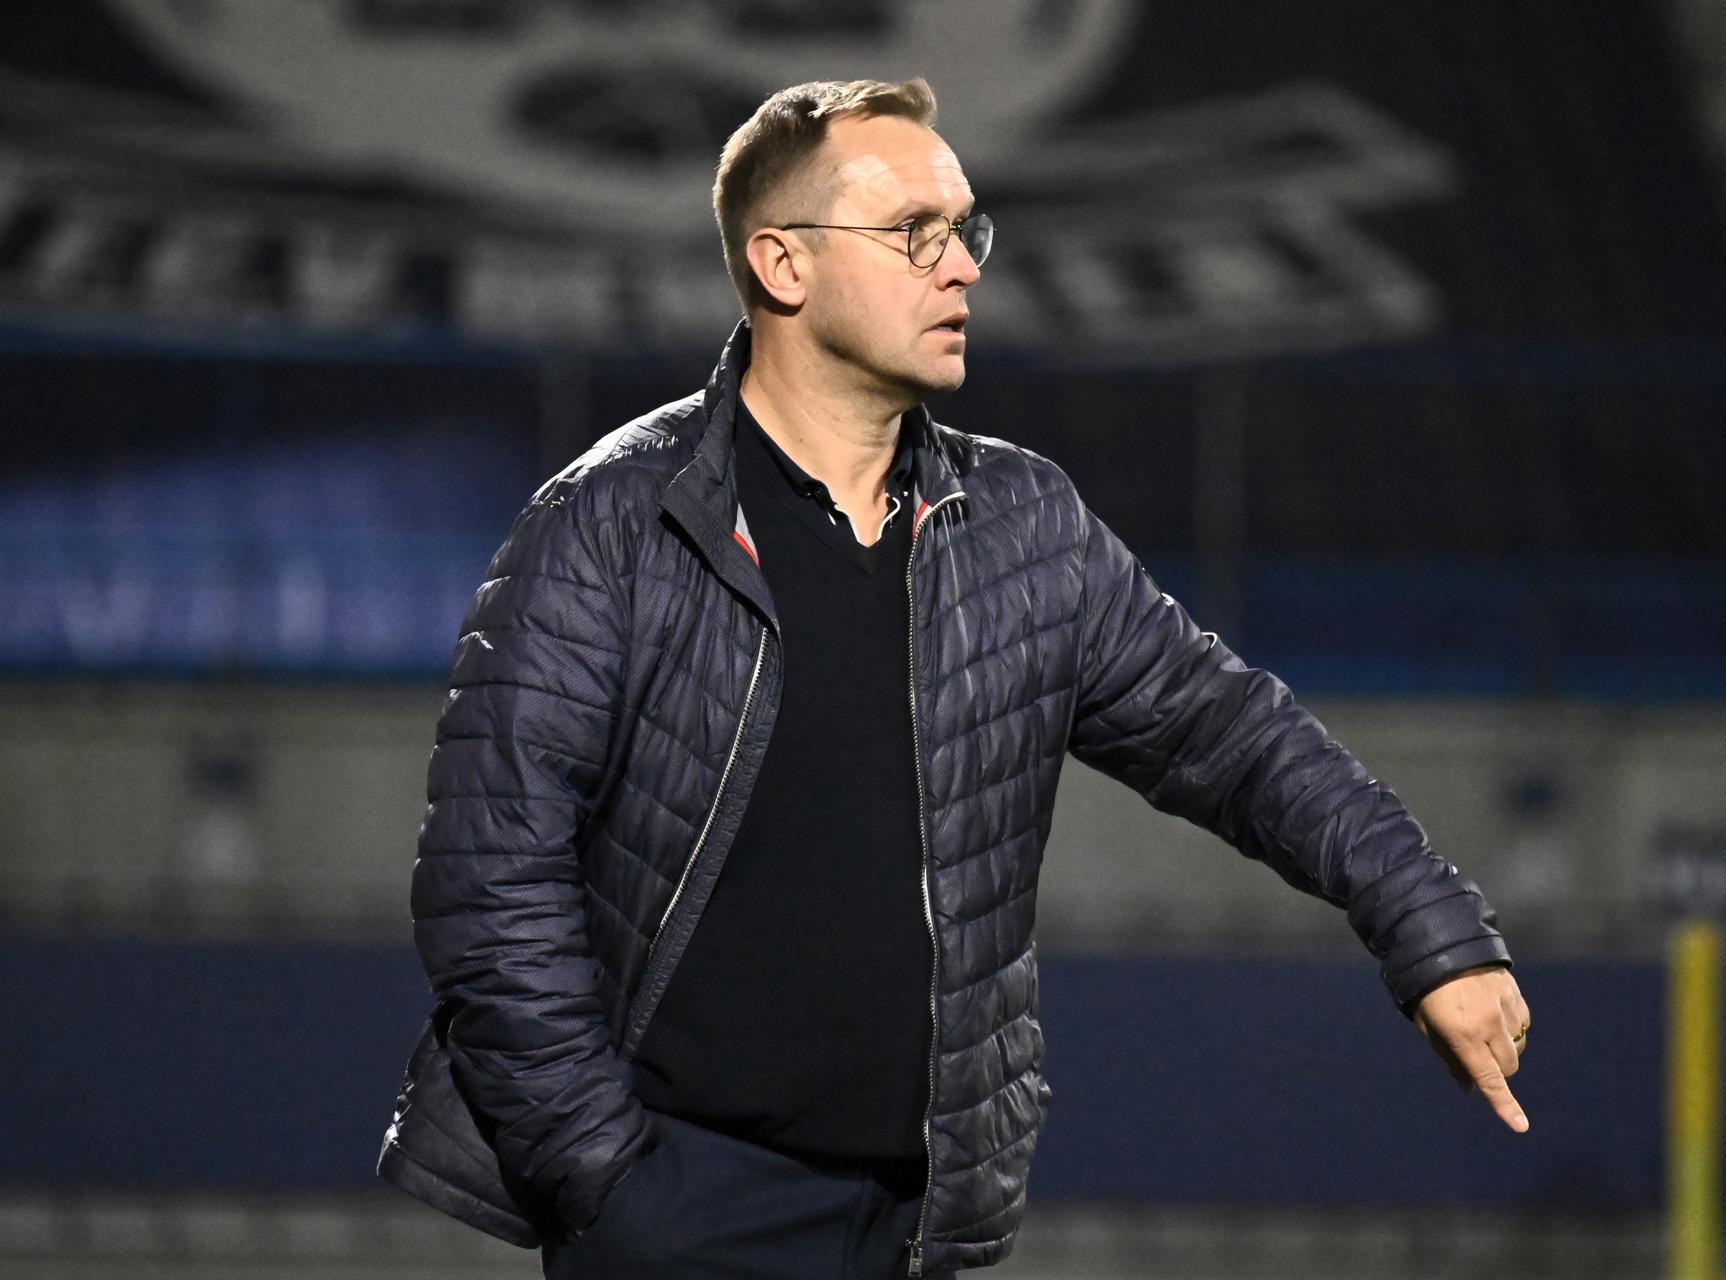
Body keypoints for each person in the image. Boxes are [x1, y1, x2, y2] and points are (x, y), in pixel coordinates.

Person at [375, 77, 1532, 1280]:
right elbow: (487, 877)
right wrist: (608, 1179)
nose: (963, 267)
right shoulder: (611, 524)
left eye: (965, 229)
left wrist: (1431, 927)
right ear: (782, 264)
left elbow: (1234, 736)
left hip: (912, 1228)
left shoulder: (1023, 525)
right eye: (913, 233)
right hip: (677, 1211)